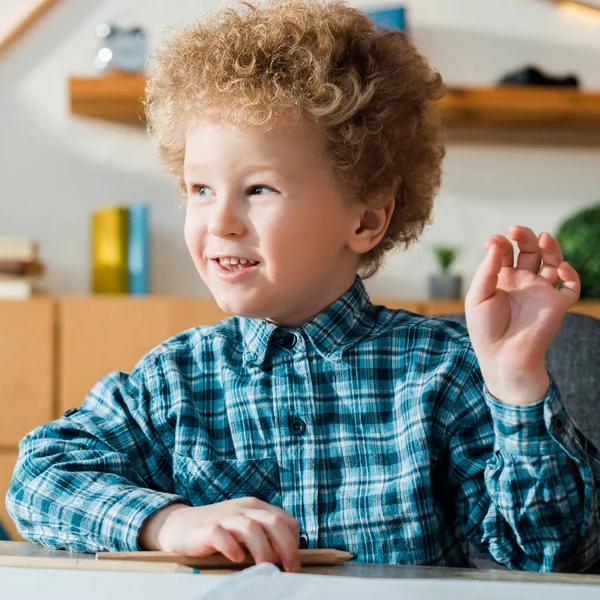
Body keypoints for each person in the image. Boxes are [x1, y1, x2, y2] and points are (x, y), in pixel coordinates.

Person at [6, 0, 599, 574]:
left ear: (366, 220)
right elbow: (38, 480)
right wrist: (167, 523)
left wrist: (518, 384)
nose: (219, 222)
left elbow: (550, 558)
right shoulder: (174, 382)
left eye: (259, 189)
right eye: (200, 190)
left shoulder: (443, 373)